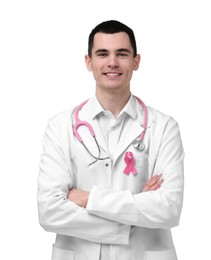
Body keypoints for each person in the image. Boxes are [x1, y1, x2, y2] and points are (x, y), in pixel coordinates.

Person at [37, 20, 184, 260]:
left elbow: (168, 210)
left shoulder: (164, 127)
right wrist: (134, 214)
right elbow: (49, 212)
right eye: (103, 54)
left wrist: (87, 199)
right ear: (89, 62)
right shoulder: (60, 127)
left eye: (122, 54)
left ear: (136, 61)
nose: (112, 62)